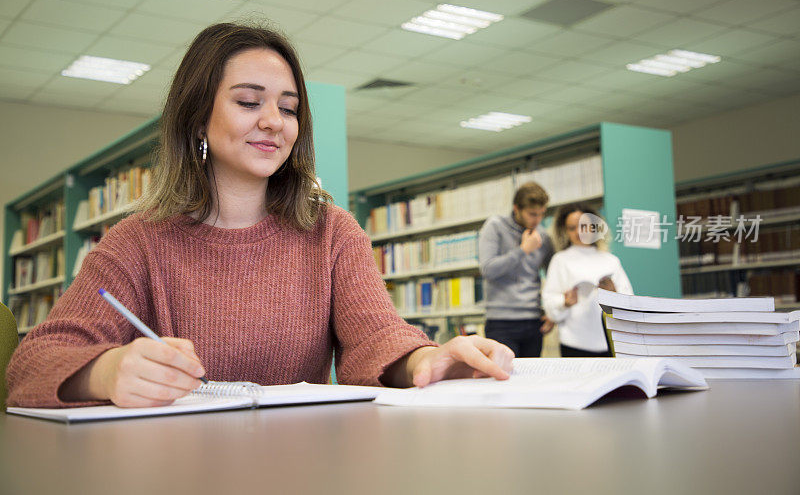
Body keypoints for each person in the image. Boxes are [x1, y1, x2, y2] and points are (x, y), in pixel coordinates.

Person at [6, 22, 514, 408]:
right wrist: (105, 371)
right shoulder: (135, 242)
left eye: (289, 108)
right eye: (249, 102)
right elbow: (30, 365)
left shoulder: (331, 232)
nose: (274, 122)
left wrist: (428, 360)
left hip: (301, 465)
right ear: (198, 117)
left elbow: (376, 338)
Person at [542, 203, 633, 357]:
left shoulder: (611, 260)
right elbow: (549, 302)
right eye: (572, 228)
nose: (578, 232)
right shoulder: (560, 260)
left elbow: (630, 301)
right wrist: (564, 302)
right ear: (565, 231)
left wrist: (614, 294)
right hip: (574, 342)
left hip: (611, 341)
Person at [478, 182, 554, 358]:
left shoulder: (542, 235)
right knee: (504, 379)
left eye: (542, 214)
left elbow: (554, 276)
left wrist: (553, 313)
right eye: (532, 214)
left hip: (534, 320)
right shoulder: (495, 226)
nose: (537, 220)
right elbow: (488, 269)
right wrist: (523, 250)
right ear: (516, 209)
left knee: (531, 382)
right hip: (501, 321)